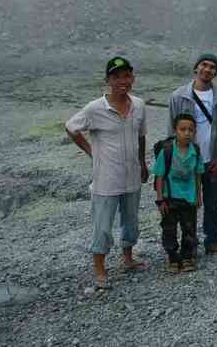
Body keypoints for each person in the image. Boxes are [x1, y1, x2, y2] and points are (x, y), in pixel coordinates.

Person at [65, 57, 149, 289]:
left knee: (131, 221)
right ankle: (100, 270)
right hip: (106, 179)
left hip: (132, 175)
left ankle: (128, 258)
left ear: (132, 78)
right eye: (116, 77)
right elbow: (71, 127)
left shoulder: (139, 105)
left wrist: (142, 163)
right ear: (107, 80)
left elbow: (141, 136)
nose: (122, 81)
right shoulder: (95, 108)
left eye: (126, 76)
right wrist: (91, 150)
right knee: (103, 226)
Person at [167, 53, 217, 254]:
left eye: (212, 67)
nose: (208, 69)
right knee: (188, 204)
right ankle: (189, 245)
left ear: (216, 72)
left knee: (213, 204)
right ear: (196, 68)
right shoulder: (178, 96)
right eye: (204, 65)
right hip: (187, 160)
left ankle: (212, 240)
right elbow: (171, 130)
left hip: (212, 159)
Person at [153, 113, 204, 273]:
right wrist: (160, 199)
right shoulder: (167, 151)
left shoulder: (195, 151)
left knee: (189, 228)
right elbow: (160, 176)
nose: (187, 133)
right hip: (169, 198)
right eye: (183, 129)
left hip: (188, 198)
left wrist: (198, 195)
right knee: (169, 229)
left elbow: (198, 174)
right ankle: (173, 258)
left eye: (190, 130)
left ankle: (187, 257)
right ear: (175, 131)